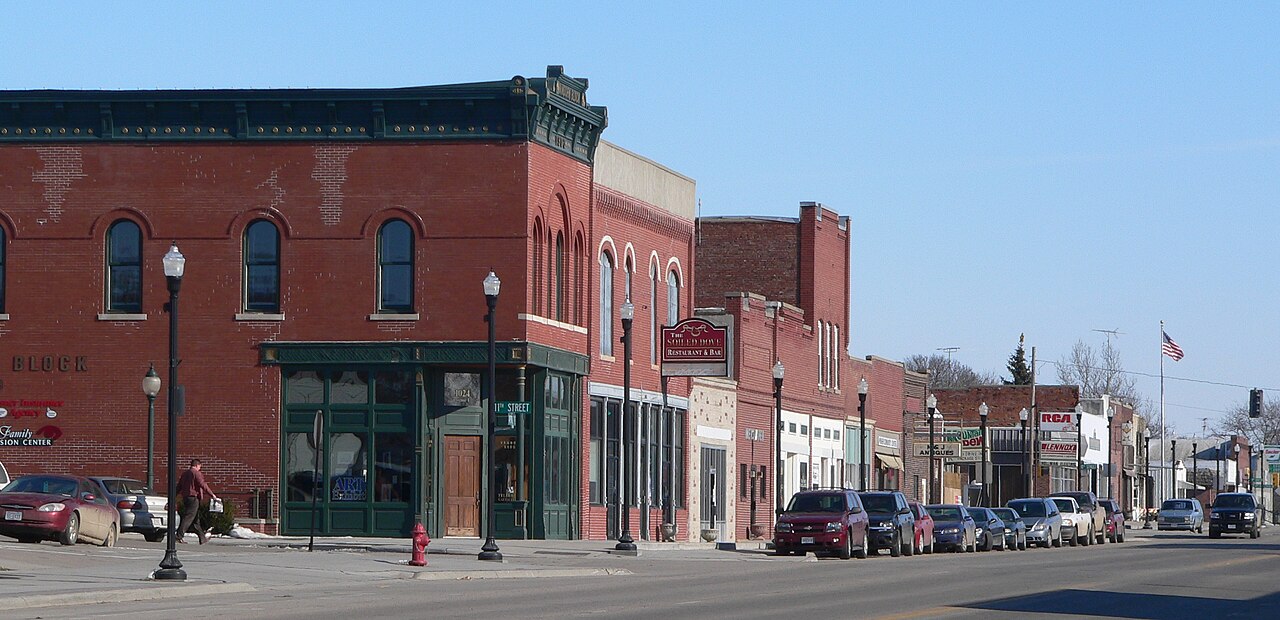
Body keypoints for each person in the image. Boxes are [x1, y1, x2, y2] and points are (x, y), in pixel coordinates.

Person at [176, 458, 218, 544]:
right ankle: (178, 536)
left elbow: (179, 486)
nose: (200, 468)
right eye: (199, 466)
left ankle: (202, 538)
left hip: (186, 497)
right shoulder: (196, 473)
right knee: (189, 517)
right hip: (194, 498)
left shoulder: (185, 474)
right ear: (197, 465)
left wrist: (174, 496)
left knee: (195, 520)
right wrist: (212, 494)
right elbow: (202, 484)